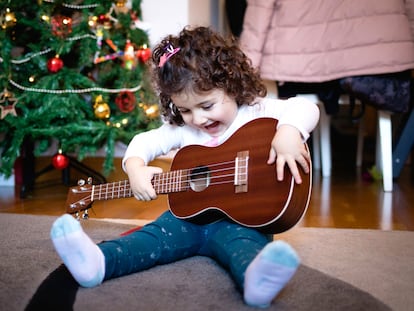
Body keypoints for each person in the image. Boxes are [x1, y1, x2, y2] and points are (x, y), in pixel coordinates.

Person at [50, 26, 319, 308]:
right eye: (186, 110)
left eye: (207, 105)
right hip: (189, 220)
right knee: (153, 237)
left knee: (244, 246)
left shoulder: (256, 111)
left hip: (245, 220)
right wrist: (135, 168)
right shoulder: (183, 129)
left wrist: (289, 132)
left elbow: (306, 107)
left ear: (232, 84)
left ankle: (256, 280)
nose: (198, 119)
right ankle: (98, 261)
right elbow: (145, 141)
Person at [239, 0, 414, 114]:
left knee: (285, 101)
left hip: (302, 68)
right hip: (377, 68)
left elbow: (257, 21)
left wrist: (243, 73)